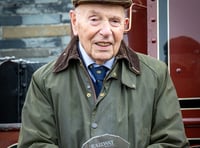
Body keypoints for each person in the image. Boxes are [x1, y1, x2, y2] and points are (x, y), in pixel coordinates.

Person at [17, 0, 190, 147]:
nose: (106, 31)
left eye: (115, 21)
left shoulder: (155, 75)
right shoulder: (45, 81)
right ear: (74, 21)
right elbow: (35, 143)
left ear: (125, 25)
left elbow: (172, 142)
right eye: (94, 20)